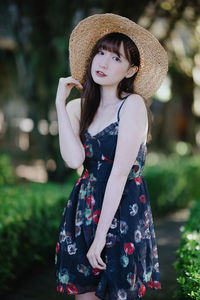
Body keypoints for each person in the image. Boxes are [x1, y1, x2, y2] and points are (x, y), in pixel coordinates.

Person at [54, 13, 168, 300]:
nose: (103, 63)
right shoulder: (77, 109)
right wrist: (60, 104)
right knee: (84, 294)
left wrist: (101, 237)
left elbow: (119, 173)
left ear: (131, 70)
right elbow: (72, 160)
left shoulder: (132, 106)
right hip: (84, 208)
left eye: (116, 58)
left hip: (122, 212)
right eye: (101, 53)